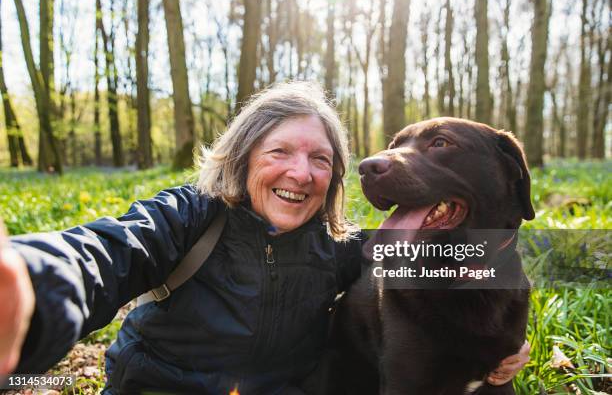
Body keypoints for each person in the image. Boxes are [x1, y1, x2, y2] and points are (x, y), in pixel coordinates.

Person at [0, 82, 529, 394]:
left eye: (320, 159)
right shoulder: (187, 217)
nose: (300, 174)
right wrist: (33, 280)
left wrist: (498, 341)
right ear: (242, 155)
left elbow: (452, 260)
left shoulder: (340, 243)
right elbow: (106, 253)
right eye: (280, 152)